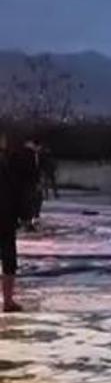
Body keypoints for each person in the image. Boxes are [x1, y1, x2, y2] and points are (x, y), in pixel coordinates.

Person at [0, 133, 38, 312]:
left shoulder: (9, 162)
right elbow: (20, 190)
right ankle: (7, 301)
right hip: (6, 217)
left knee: (9, 260)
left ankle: (8, 301)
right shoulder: (9, 163)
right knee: (9, 259)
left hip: (7, 216)